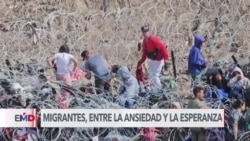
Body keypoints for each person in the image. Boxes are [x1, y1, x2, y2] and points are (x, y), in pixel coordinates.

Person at [137, 24, 169, 90]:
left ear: (148, 31)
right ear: (142, 32)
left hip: (159, 59)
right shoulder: (145, 41)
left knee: (155, 75)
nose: (145, 33)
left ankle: (159, 90)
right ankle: (154, 89)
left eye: (146, 31)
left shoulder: (152, 39)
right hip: (154, 59)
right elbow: (145, 53)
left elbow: (162, 47)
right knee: (151, 74)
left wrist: (166, 59)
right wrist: (141, 61)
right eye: (144, 32)